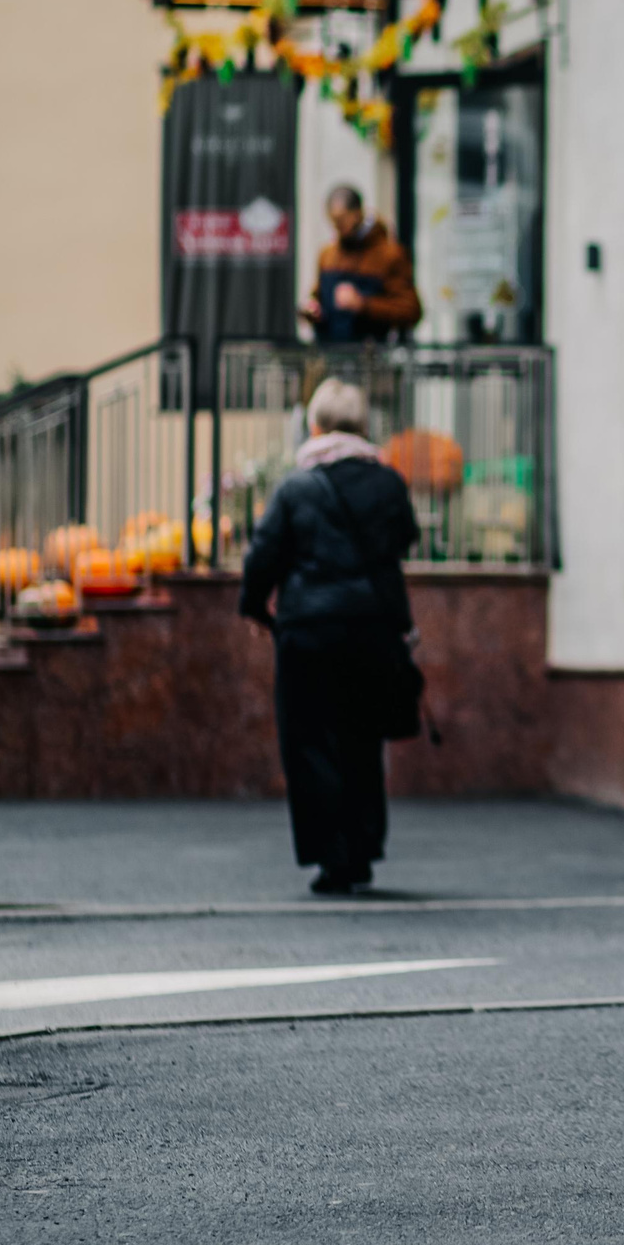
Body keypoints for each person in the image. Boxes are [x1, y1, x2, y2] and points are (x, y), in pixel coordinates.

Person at [238, 378, 420, 895]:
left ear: (314, 425)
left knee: (311, 742)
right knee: (363, 739)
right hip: (372, 631)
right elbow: (404, 538)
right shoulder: (388, 482)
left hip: (309, 634)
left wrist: (254, 607)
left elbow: (263, 554)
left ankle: (332, 858)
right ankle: (362, 850)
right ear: (364, 427)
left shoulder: (296, 486)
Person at [298, 185, 421, 344]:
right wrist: (312, 310)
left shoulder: (389, 255)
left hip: (369, 360)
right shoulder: (327, 255)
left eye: (341, 221)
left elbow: (411, 311)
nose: (337, 228)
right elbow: (317, 298)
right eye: (333, 221)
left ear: (357, 214)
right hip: (329, 356)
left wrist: (363, 304)